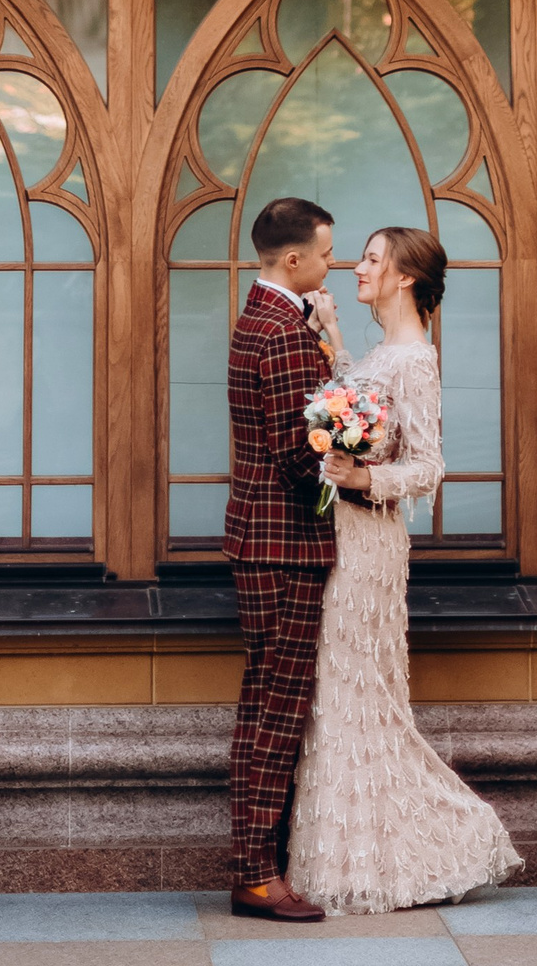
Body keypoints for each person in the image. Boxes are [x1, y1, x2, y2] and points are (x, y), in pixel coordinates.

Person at [287, 226, 523, 915]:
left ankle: (456, 838)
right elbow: (358, 403)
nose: (357, 268)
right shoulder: (385, 353)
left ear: (405, 277)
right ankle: (356, 862)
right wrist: (332, 336)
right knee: (339, 696)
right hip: (339, 536)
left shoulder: (416, 360)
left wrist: (363, 478)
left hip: (368, 548)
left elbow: (428, 466)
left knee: (358, 694)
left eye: (371, 259)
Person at [222, 193, 340, 923]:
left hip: (257, 538)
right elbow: (301, 456)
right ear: (293, 259)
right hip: (285, 546)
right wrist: (356, 459)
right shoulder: (286, 333)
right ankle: (257, 876)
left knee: (262, 703)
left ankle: (257, 868)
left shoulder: (258, 318)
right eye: (326, 254)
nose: (333, 264)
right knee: (276, 710)